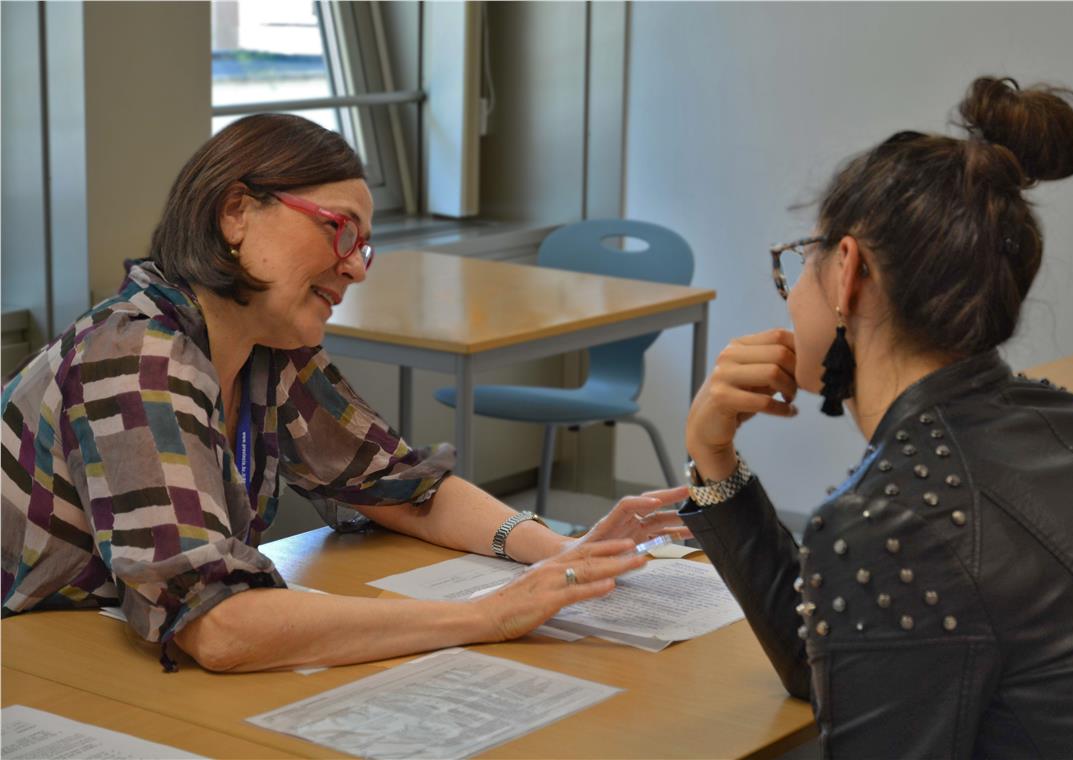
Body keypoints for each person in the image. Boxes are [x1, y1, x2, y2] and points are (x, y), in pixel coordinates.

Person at [1, 113, 691, 673]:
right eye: (340, 230)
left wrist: (559, 553)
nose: (356, 268)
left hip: (95, 655)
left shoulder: (268, 348)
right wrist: (487, 615)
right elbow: (218, 625)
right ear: (236, 213)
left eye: (364, 245)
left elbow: (399, 485)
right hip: (35, 670)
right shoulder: (136, 360)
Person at [680, 76, 1073, 757]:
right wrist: (712, 457)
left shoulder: (892, 518)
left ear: (847, 269)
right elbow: (839, 667)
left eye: (800, 261)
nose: (792, 295)